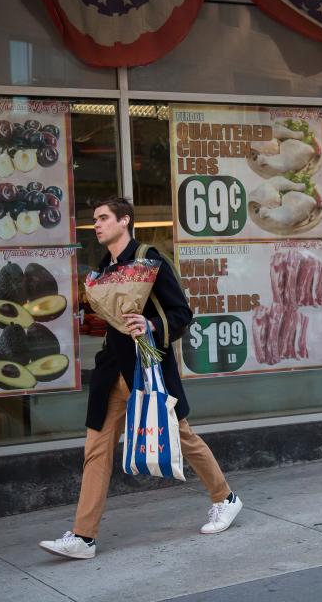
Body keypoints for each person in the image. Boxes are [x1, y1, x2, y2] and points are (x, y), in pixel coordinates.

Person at [39, 195, 242, 559]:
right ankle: (84, 537)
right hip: (111, 372)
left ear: (125, 221)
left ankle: (225, 498)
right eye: (95, 219)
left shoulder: (150, 259)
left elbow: (181, 312)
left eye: (103, 218)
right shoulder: (101, 269)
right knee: (96, 450)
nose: (96, 224)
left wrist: (150, 324)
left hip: (147, 369)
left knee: (183, 436)